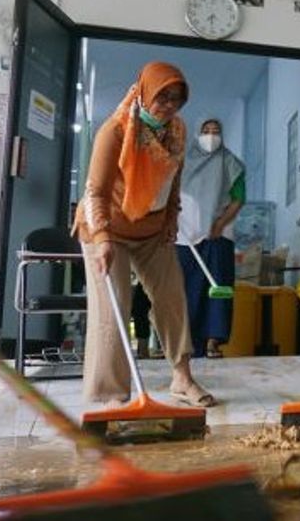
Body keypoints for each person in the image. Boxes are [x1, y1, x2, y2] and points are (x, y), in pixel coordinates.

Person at [73, 61, 215, 407]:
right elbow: (96, 191)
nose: (168, 107)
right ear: (144, 92)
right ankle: (111, 397)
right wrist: (103, 239)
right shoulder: (116, 131)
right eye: (162, 97)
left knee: (172, 297)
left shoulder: (177, 131)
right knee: (114, 307)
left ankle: (182, 378)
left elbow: (173, 181)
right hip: (107, 225)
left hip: (151, 229)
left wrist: (170, 219)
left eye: (177, 99)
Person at [176, 118, 245, 358]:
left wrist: (220, 223)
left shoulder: (231, 163)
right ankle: (187, 343)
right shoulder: (183, 163)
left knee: (218, 288)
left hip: (218, 235)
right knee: (188, 289)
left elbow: (238, 198)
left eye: (216, 131)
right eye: (206, 131)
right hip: (185, 237)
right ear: (198, 134)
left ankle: (213, 342)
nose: (211, 135)